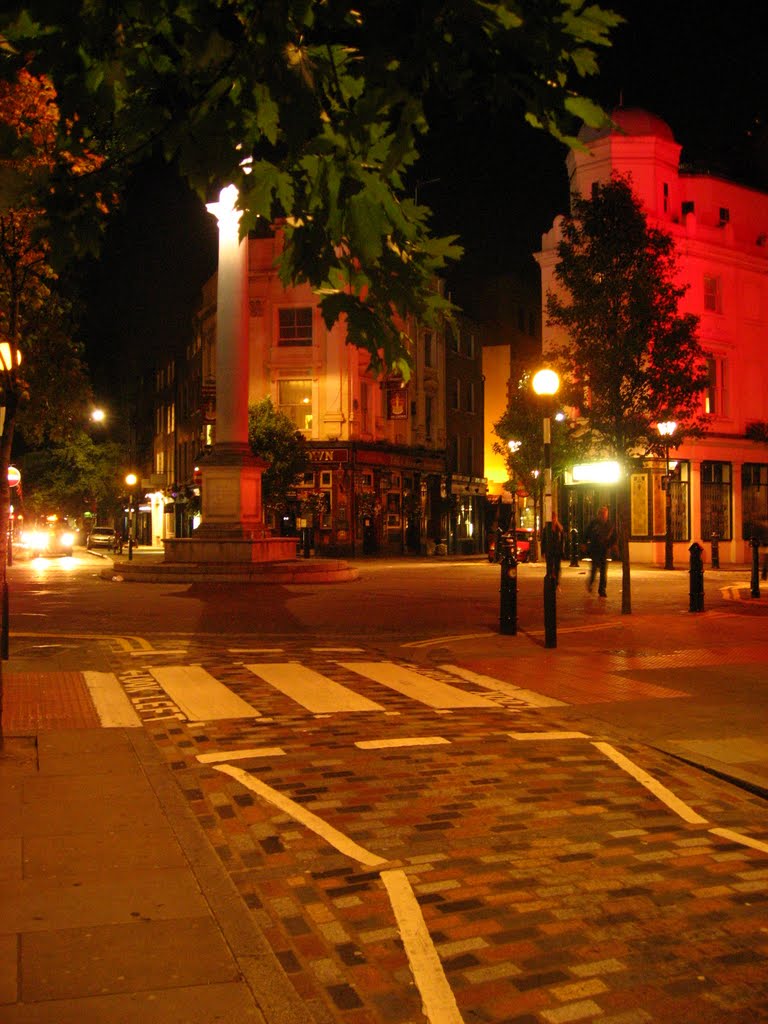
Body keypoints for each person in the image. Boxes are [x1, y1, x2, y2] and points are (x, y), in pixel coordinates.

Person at [584, 505, 617, 597]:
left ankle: (602, 589)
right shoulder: (593, 523)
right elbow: (586, 533)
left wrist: (612, 545)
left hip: (604, 550)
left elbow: (614, 536)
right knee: (594, 569)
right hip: (595, 549)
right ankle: (591, 583)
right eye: (602, 514)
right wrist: (584, 543)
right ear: (599, 514)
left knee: (603, 571)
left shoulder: (609, 525)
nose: (604, 516)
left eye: (605, 514)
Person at [542, 510, 566, 586]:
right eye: (552, 518)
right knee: (549, 566)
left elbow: (563, 540)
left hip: (557, 551)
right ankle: (550, 580)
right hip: (549, 550)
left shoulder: (559, 528)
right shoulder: (547, 529)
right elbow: (543, 540)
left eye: (554, 518)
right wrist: (543, 551)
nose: (553, 520)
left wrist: (562, 551)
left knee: (557, 567)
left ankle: (556, 581)